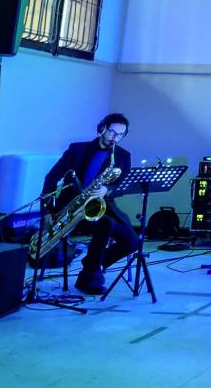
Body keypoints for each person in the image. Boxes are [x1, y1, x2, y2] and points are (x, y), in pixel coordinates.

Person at [41, 113, 136, 296]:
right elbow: (51, 178)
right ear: (102, 128)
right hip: (72, 207)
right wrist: (47, 211)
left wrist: (107, 189)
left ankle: (91, 266)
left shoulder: (123, 156)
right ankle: (90, 278)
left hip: (102, 204)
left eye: (120, 135)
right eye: (111, 132)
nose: (114, 138)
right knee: (106, 224)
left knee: (132, 242)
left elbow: (120, 185)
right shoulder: (77, 150)